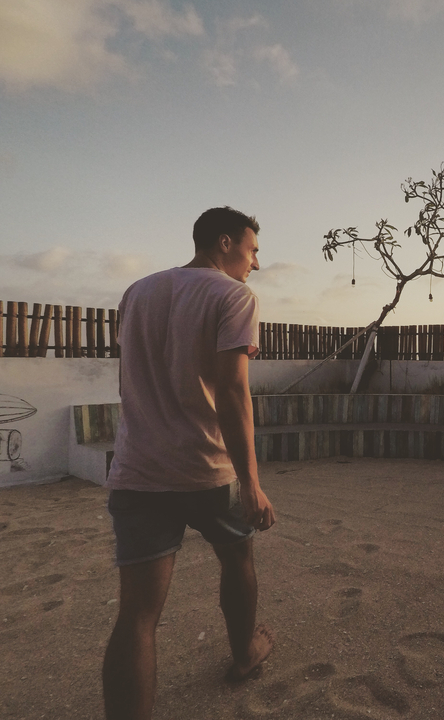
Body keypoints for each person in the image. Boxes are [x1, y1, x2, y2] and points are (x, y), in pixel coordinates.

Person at [102, 207, 277, 720]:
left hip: (139, 471)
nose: (256, 264)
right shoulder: (233, 295)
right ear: (224, 243)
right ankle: (244, 656)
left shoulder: (138, 292)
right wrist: (251, 482)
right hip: (207, 470)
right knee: (238, 561)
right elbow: (231, 390)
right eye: (253, 250)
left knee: (136, 615)